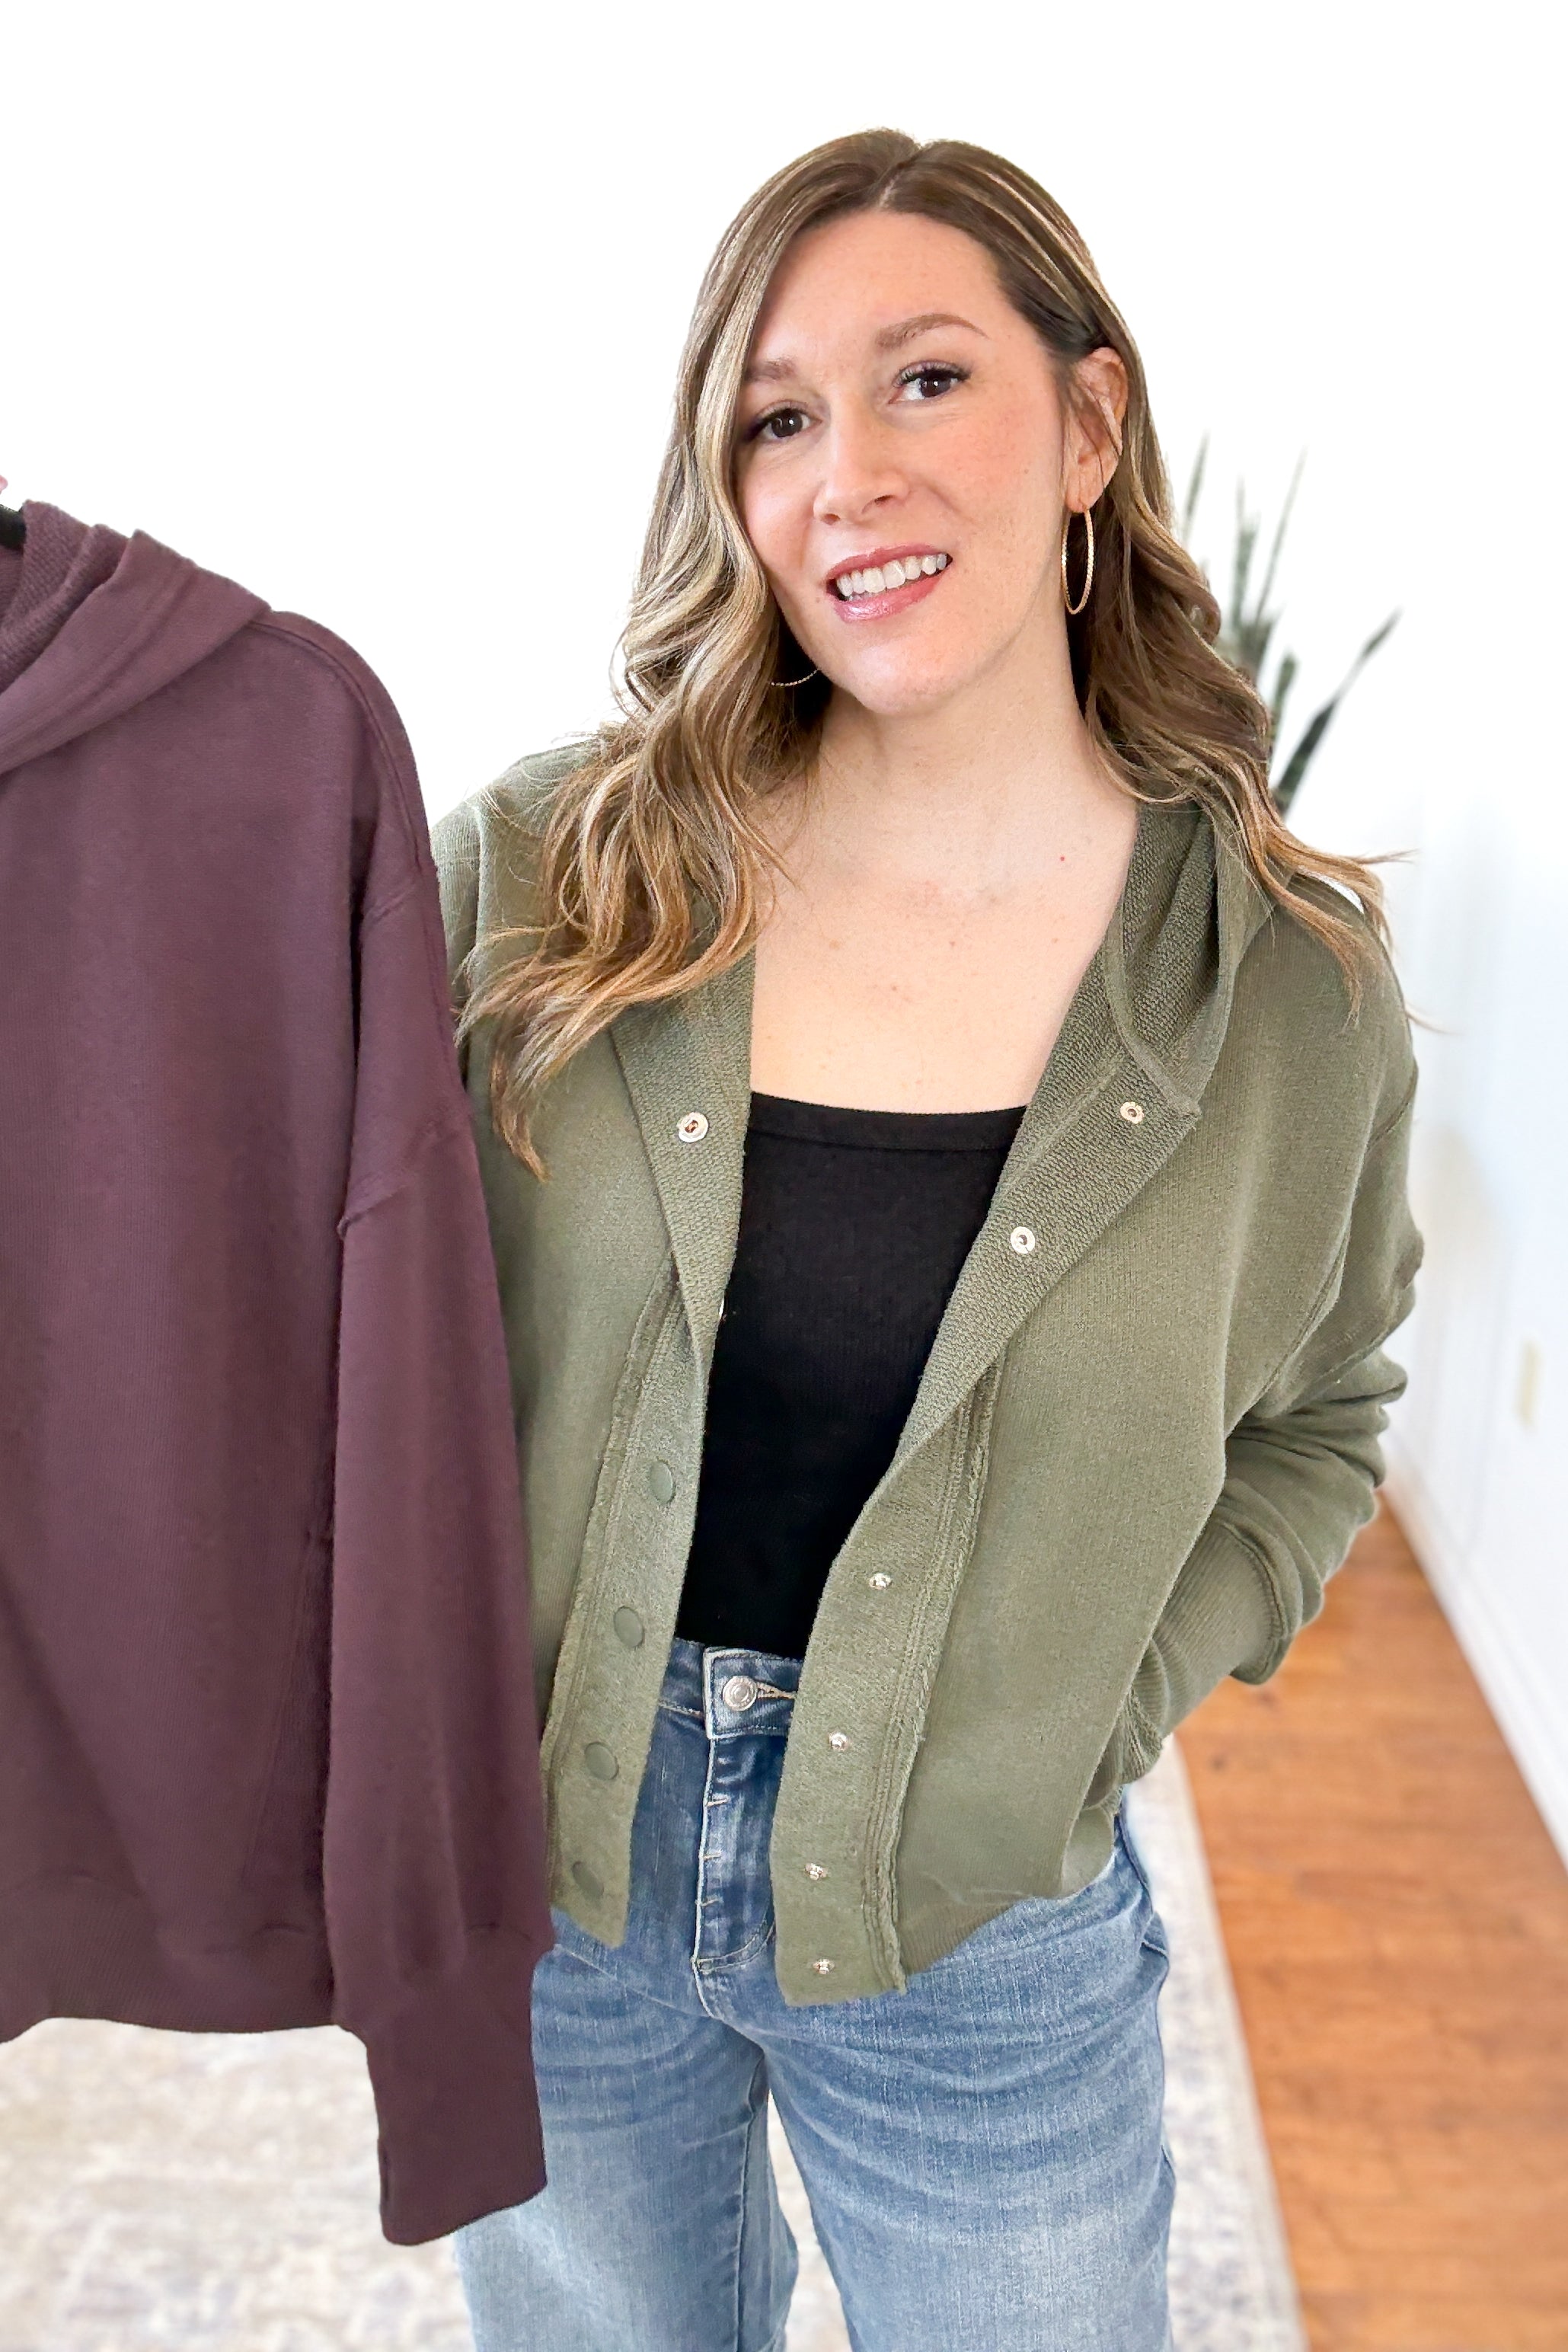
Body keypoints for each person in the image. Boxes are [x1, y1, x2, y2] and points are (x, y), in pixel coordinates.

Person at [435, 129, 1420, 2352]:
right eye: (778, 418)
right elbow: (297, 1298)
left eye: (927, 379)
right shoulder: (542, 881)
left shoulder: (1281, 986)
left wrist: (1096, 1706)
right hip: (549, 1877)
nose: (849, 475)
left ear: (1087, 425)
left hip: (977, 1915)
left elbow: (1318, 1420)